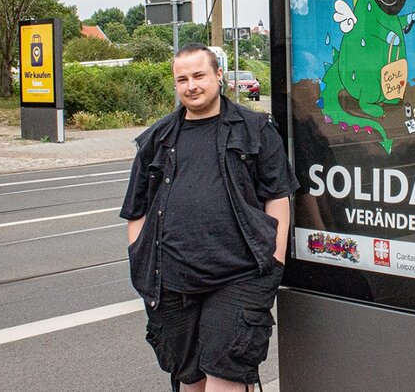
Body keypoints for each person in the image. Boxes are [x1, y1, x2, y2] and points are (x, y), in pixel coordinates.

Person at [121, 43, 298, 391]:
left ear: (219, 76)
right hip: (172, 283)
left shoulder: (255, 128)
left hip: (239, 277)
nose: (191, 86)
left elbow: (278, 197)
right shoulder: (157, 138)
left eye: (199, 76)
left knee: (226, 378)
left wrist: (274, 262)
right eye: (182, 79)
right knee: (190, 380)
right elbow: (136, 209)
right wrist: (140, 260)